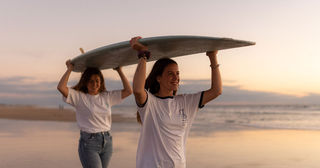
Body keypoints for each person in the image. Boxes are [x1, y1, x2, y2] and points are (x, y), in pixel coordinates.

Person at [130, 36, 222, 168]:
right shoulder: (150, 102)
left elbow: (216, 91)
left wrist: (212, 57)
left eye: (177, 73)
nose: (176, 78)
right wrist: (143, 55)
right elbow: (138, 90)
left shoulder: (186, 102)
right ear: (159, 78)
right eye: (170, 74)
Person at [57, 60, 132, 168]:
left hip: (107, 141)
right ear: (85, 82)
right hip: (89, 143)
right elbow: (61, 87)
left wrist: (119, 70)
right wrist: (70, 69)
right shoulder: (79, 97)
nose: (94, 84)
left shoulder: (107, 96)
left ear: (101, 82)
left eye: (97, 80)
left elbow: (129, 91)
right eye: (90, 81)